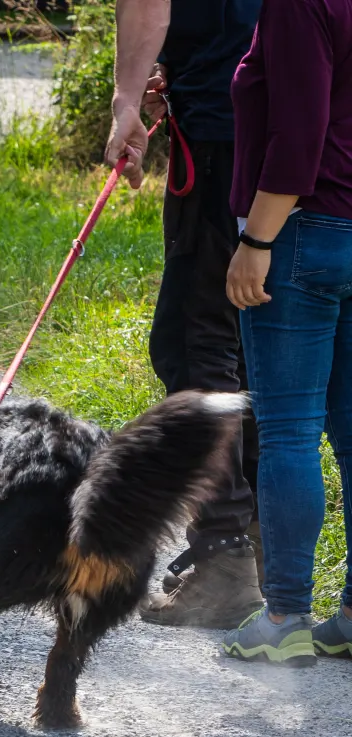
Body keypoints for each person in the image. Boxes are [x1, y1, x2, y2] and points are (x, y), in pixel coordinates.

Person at [106, 0, 265, 628]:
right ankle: (254, 539)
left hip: (226, 125)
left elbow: (150, 3)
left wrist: (124, 103)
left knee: (195, 342)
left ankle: (225, 558)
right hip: (292, 124)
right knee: (252, 336)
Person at [219, 0, 352, 665]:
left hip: (302, 234)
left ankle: (286, 615)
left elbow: (300, 135)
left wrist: (256, 239)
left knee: (291, 429)